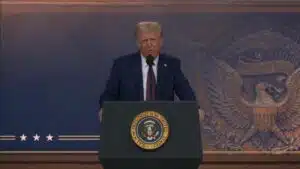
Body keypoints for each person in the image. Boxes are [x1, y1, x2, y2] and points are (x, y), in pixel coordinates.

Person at [98, 21, 203, 121]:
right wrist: (104, 109)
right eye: (144, 40)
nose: (149, 44)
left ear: (161, 41)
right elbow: (109, 94)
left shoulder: (171, 65)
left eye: (152, 40)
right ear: (138, 43)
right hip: (130, 122)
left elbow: (185, 92)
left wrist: (195, 109)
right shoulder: (122, 65)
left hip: (163, 123)